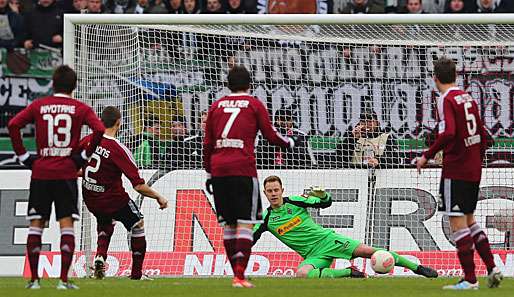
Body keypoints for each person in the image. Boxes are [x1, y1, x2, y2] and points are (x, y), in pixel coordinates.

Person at [7, 65, 105, 290]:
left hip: (41, 172)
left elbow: (13, 124)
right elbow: (99, 130)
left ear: (53, 83)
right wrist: (82, 157)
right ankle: (63, 281)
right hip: (66, 173)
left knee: (36, 225)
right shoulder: (80, 108)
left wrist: (24, 156)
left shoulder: (39, 105)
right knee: (66, 225)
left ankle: (34, 281)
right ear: (74, 86)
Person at [203, 65, 295, 288]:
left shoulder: (216, 106)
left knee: (228, 225)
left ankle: (236, 274)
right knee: (245, 224)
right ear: (250, 84)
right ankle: (240, 276)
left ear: (228, 85)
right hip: (243, 170)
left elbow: (207, 143)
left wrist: (208, 171)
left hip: (218, 171)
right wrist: (290, 143)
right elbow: (271, 135)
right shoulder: (254, 104)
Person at [417, 57, 502, 290]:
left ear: (435, 78)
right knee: (470, 220)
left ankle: (470, 279)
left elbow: (449, 133)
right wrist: (475, 156)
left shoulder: (446, 99)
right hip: (473, 169)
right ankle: (492, 268)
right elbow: (484, 135)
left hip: (456, 170)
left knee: (458, 225)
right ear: (455, 76)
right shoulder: (468, 98)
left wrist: (427, 154)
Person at [254, 175, 438, 279]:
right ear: (265, 193)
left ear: (282, 190)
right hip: (313, 256)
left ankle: (417, 268)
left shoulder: (295, 201)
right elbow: (249, 240)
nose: (273, 194)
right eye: (269, 191)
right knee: (301, 274)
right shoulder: (265, 219)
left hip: (329, 240)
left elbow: (324, 204)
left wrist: (323, 195)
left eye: (276, 190)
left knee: (371, 251)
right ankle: (349, 272)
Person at [78, 106, 168, 280]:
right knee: (137, 223)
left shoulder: (87, 140)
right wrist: (159, 196)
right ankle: (136, 275)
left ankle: (100, 256)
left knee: (105, 223)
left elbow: (75, 168)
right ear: (119, 123)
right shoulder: (117, 148)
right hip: (114, 200)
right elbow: (138, 186)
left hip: (91, 198)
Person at [335, 111, 401, 169]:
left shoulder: (386, 138)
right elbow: (339, 157)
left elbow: (395, 158)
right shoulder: (352, 137)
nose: (366, 124)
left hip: (380, 176)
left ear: (377, 123)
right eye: (363, 121)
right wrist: (352, 138)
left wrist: (379, 161)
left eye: (370, 121)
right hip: (355, 176)